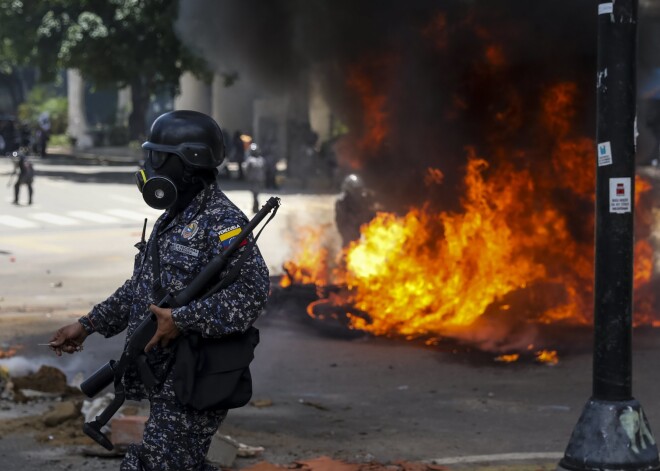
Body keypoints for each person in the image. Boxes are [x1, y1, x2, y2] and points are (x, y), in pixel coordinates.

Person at [48, 110, 270, 470]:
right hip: (165, 376)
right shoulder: (174, 216)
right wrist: (87, 324)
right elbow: (141, 288)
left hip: (193, 378)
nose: (149, 167)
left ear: (187, 163)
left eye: (157, 158)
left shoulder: (223, 222)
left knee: (155, 465)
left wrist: (182, 320)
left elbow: (253, 292)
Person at [334, 173, 378, 247]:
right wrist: (346, 231)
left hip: (361, 224)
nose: (358, 191)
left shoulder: (364, 198)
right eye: (356, 189)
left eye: (359, 189)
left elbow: (371, 213)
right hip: (348, 227)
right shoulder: (342, 201)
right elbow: (340, 220)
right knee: (349, 244)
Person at [242, 143, 267, 214]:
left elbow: (264, 169)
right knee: (255, 194)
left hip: (259, 180)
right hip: (253, 180)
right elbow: (246, 169)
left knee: (256, 194)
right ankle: (255, 207)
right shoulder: (250, 160)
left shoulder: (261, 159)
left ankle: (255, 207)